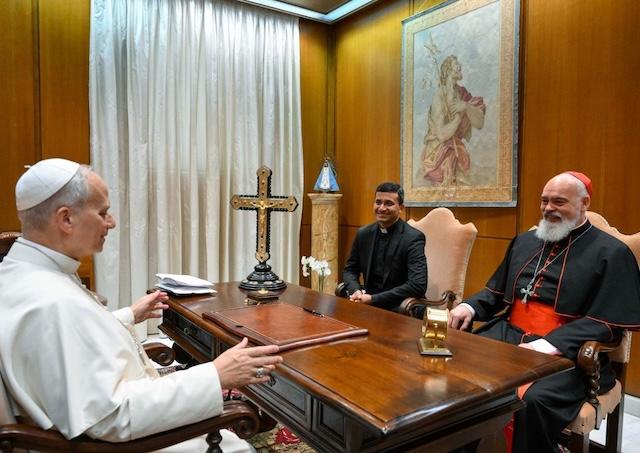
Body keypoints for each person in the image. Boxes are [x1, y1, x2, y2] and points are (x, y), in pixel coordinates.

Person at [0, 158, 283, 443]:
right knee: (235, 445)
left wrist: (128, 315)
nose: (111, 223)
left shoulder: (23, 272)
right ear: (66, 219)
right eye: (103, 212)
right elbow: (113, 417)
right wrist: (216, 375)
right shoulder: (53, 302)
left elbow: (73, 340)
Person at [448, 171, 640, 453]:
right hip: (510, 336)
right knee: (455, 368)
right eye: (544, 201)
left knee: (533, 399)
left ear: (584, 203)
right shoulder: (525, 241)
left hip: (570, 352)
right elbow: (497, 292)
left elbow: (606, 323)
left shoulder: (612, 253)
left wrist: (548, 344)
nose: (548, 208)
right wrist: (469, 306)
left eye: (559, 202)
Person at [342, 182, 427, 311]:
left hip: (400, 307)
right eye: (378, 202)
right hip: (367, 305)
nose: (381, 208)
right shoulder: (363, 234)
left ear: (401, 208)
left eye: (388, 203)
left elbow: (417, 285)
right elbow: (350, 270)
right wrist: (356, 291)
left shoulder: (413, 238)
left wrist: (373, 299)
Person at [421, 55, 485, 186]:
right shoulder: (440, 97)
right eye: (456, 64)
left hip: (456, 149)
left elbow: (479, 123)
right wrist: (459, 117)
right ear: (448, 70)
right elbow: (442, 135)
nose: (460, 66)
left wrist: (466, 106)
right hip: (438, 154)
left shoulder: (462, 93)